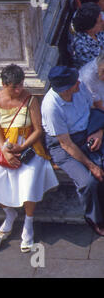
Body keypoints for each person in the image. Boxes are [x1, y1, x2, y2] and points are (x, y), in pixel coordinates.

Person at [0, 64, 58, 253]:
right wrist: (6, 150)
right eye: (14, 87)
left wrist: (22, 147)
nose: (19, 90)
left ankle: (28, 223)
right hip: (4, 148)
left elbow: (38, 130)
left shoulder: (30, 99)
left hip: (29, 148)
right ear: (4, 84)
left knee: (29, 179)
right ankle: (9, 216)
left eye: (20, 85)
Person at [42, 65, 104, 236]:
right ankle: (95, 219)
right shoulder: (51, 107)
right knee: (88, 182)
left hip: (89, 130)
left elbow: (94, 109)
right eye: (74, 82)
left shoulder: (80, 87)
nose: (79, 83)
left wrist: (99, 131)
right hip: (65, 144)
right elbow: (66, 144)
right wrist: (92, 166)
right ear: (66, 89)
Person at [72, 2, 104, 68]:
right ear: (90, 27)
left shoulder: (98, 32)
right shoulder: (81, 46)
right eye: (100, 21)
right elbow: (96, 68)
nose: (103, 22)